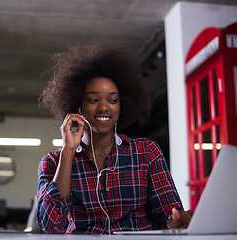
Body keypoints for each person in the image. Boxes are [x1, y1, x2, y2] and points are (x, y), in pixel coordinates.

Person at [37, 43, 193, 234]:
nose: (104, 107)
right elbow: (52, 227)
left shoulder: (146, 152)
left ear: (122, 105)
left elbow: (168, 214)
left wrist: (174, 222)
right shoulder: (52, 162)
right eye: (94, 100)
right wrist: (68, 151)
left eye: (112, 100)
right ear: (78, 106)